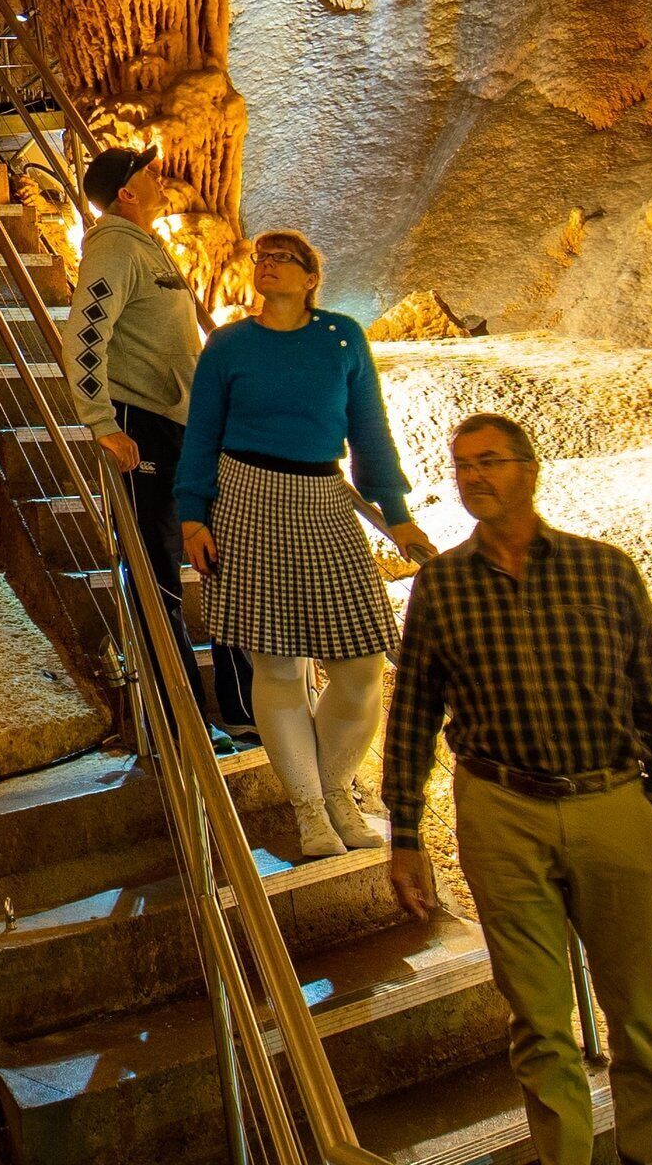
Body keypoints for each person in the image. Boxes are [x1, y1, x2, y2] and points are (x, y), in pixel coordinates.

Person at [384, 412, 652, 1165]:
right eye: (462, 467)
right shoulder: (442, 585)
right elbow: (414, 714)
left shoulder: (605, 569)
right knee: (538, 1018)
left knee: (639, 1017)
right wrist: (404, 834)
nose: (474, 478)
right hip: (502, 808)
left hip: (612, 801)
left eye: (489, 462)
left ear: (528, 469)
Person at [176, 228, 432, 858]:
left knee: (362, 659)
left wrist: (395, 514)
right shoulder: (229, 344)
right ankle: (311, 811)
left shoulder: (342, 337)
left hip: (323, 498)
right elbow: (201, 431)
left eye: (284, 259)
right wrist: (192, 515)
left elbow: (369, 431)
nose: (268, 266)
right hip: (244, 496)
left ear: (311, 277)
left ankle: (336, 786)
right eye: (263, 258)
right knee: (278, 664)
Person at [58, 145, 246, 726]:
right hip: (142, 425)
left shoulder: (143, 247)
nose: (159, 174)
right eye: (147, 171)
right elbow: (86, 334)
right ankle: (177, 713)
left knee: (217, 553)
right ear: (126, 193)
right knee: (157, 564)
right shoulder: (114, 247)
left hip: (181, 426)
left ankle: (239, 703)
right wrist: (101, 423)